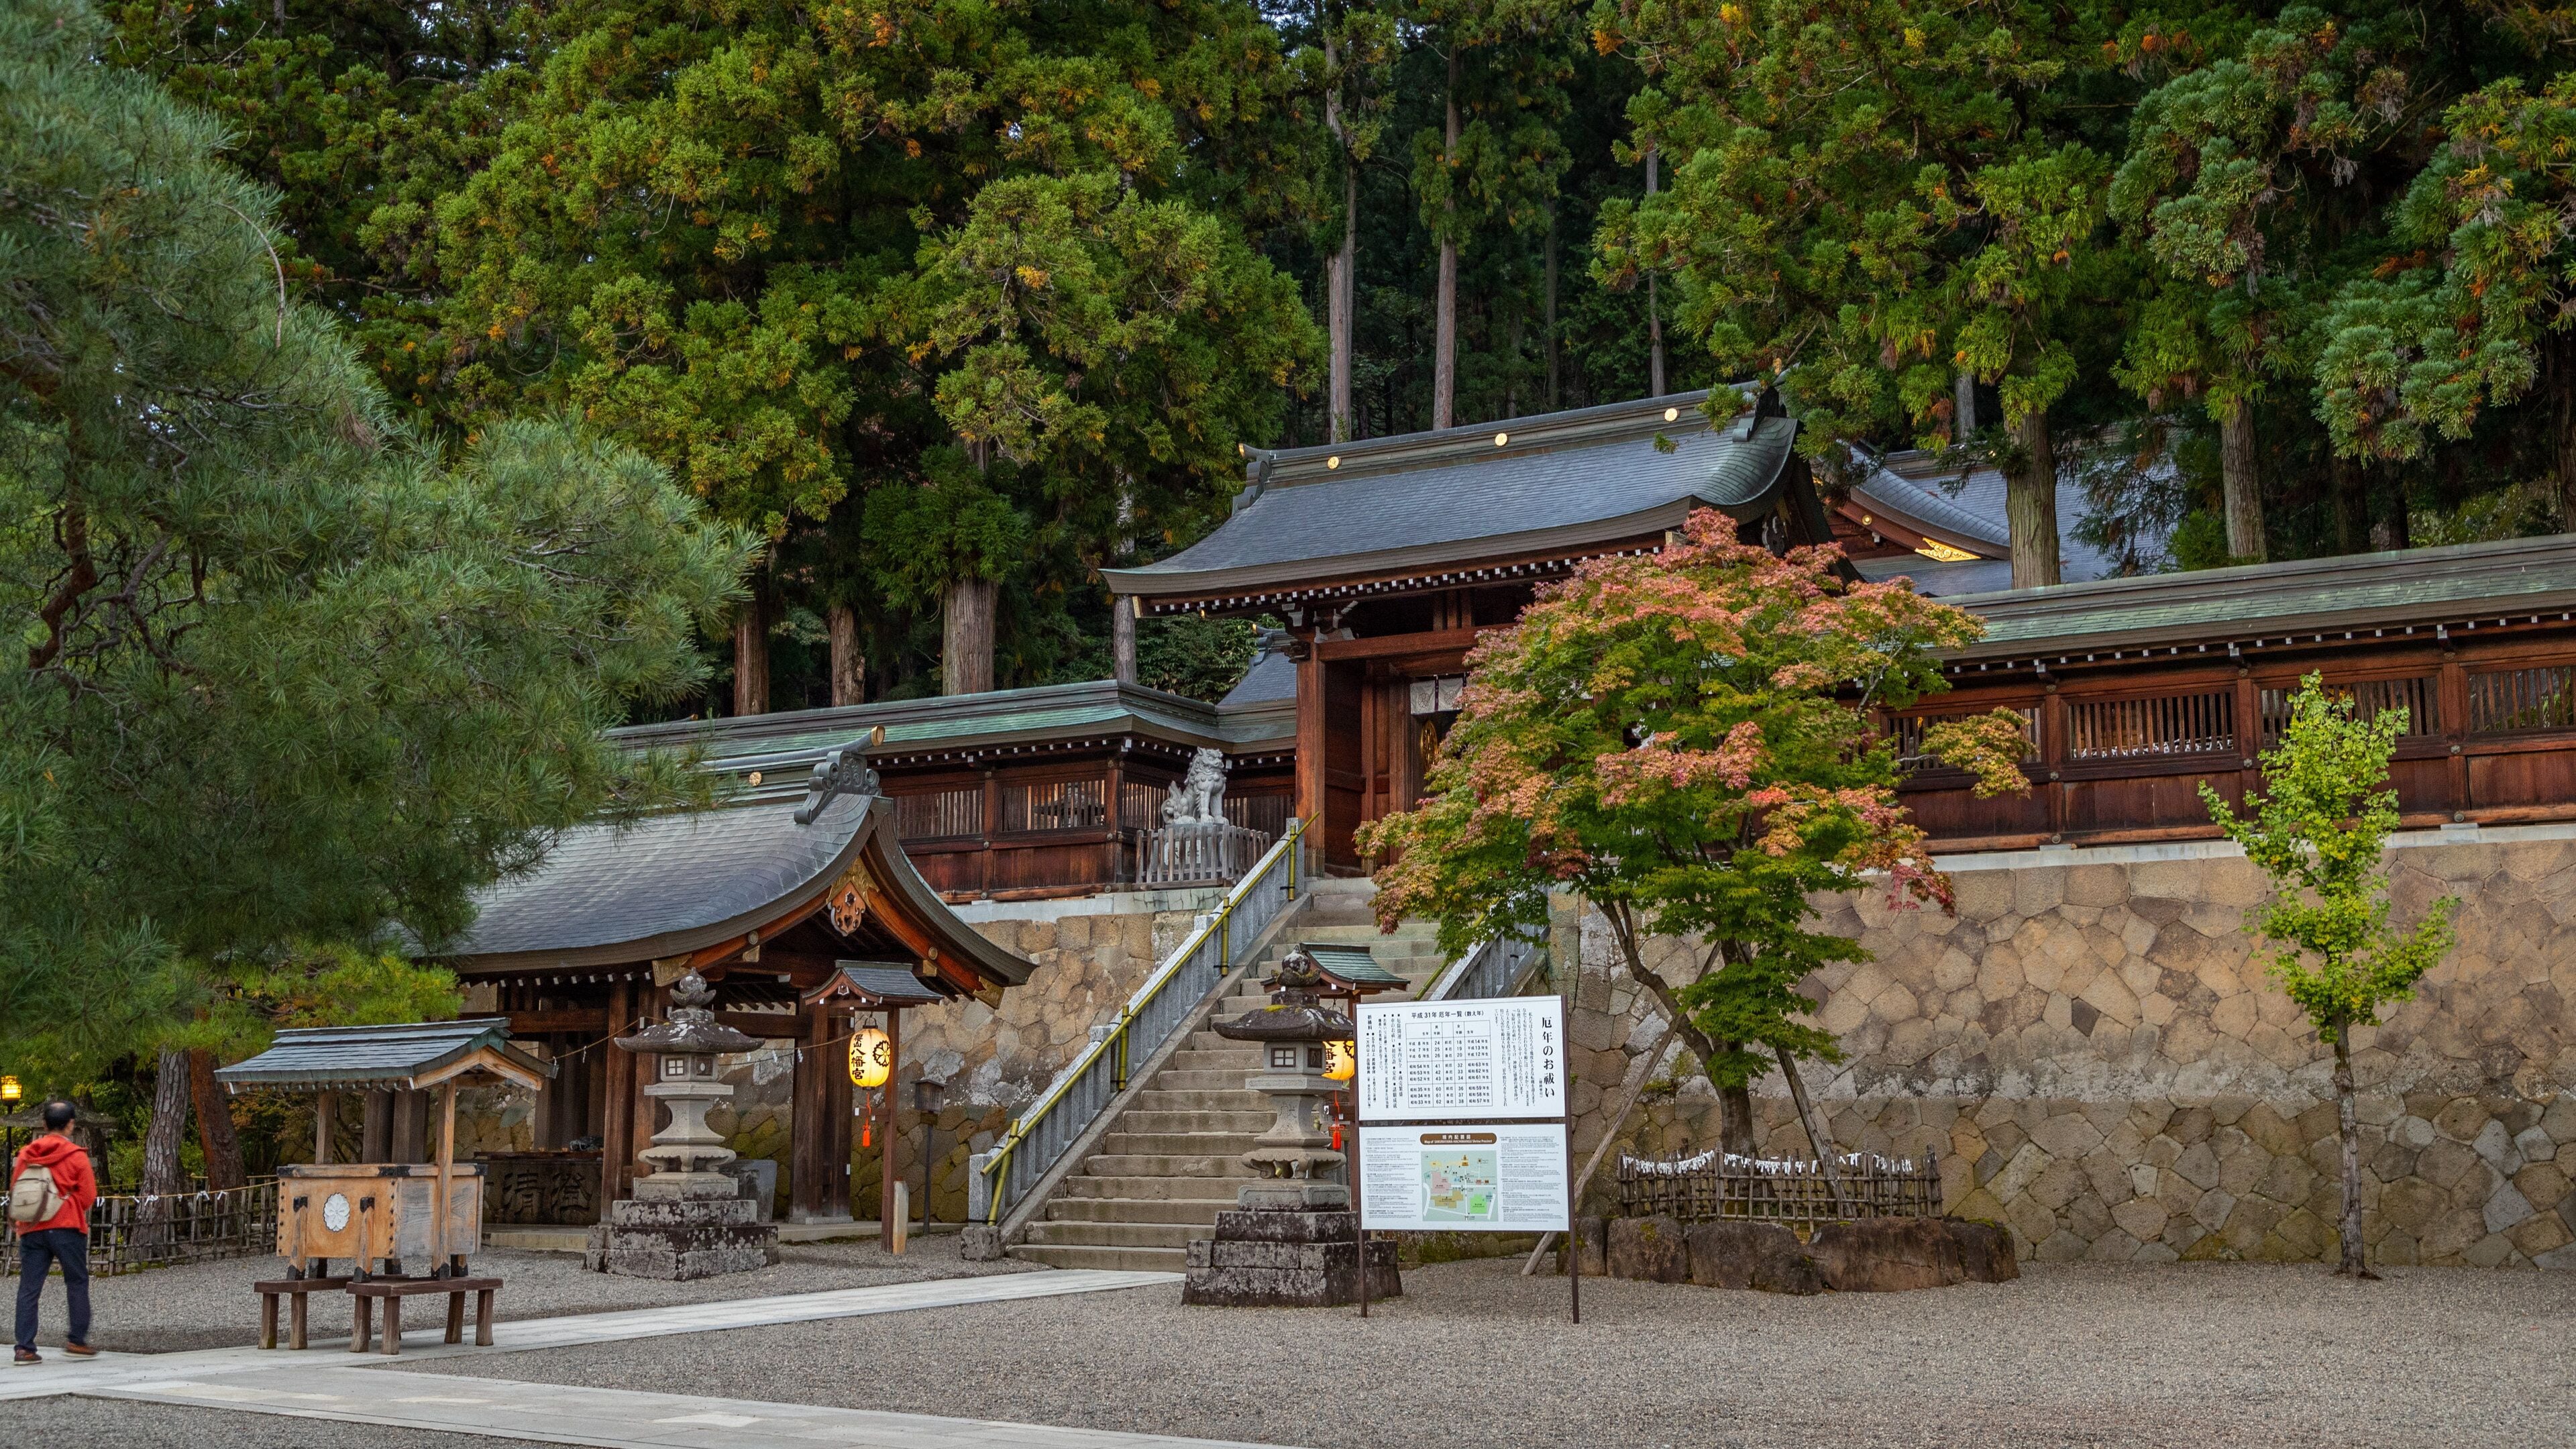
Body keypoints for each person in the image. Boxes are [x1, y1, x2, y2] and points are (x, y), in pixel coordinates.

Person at [11, 1099, 97, 1364]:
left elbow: (17, 1191)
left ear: (44, 1125)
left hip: (33, 1227)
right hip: (66, 1225)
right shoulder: (76, 1155)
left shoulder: (27, 1154)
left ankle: (24, 1347)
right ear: (71, 1124)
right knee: (76, 1281)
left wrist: (21, 1223)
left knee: (29, 1287)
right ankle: (76, 1339)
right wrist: (68, 1206)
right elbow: (88, 1195)